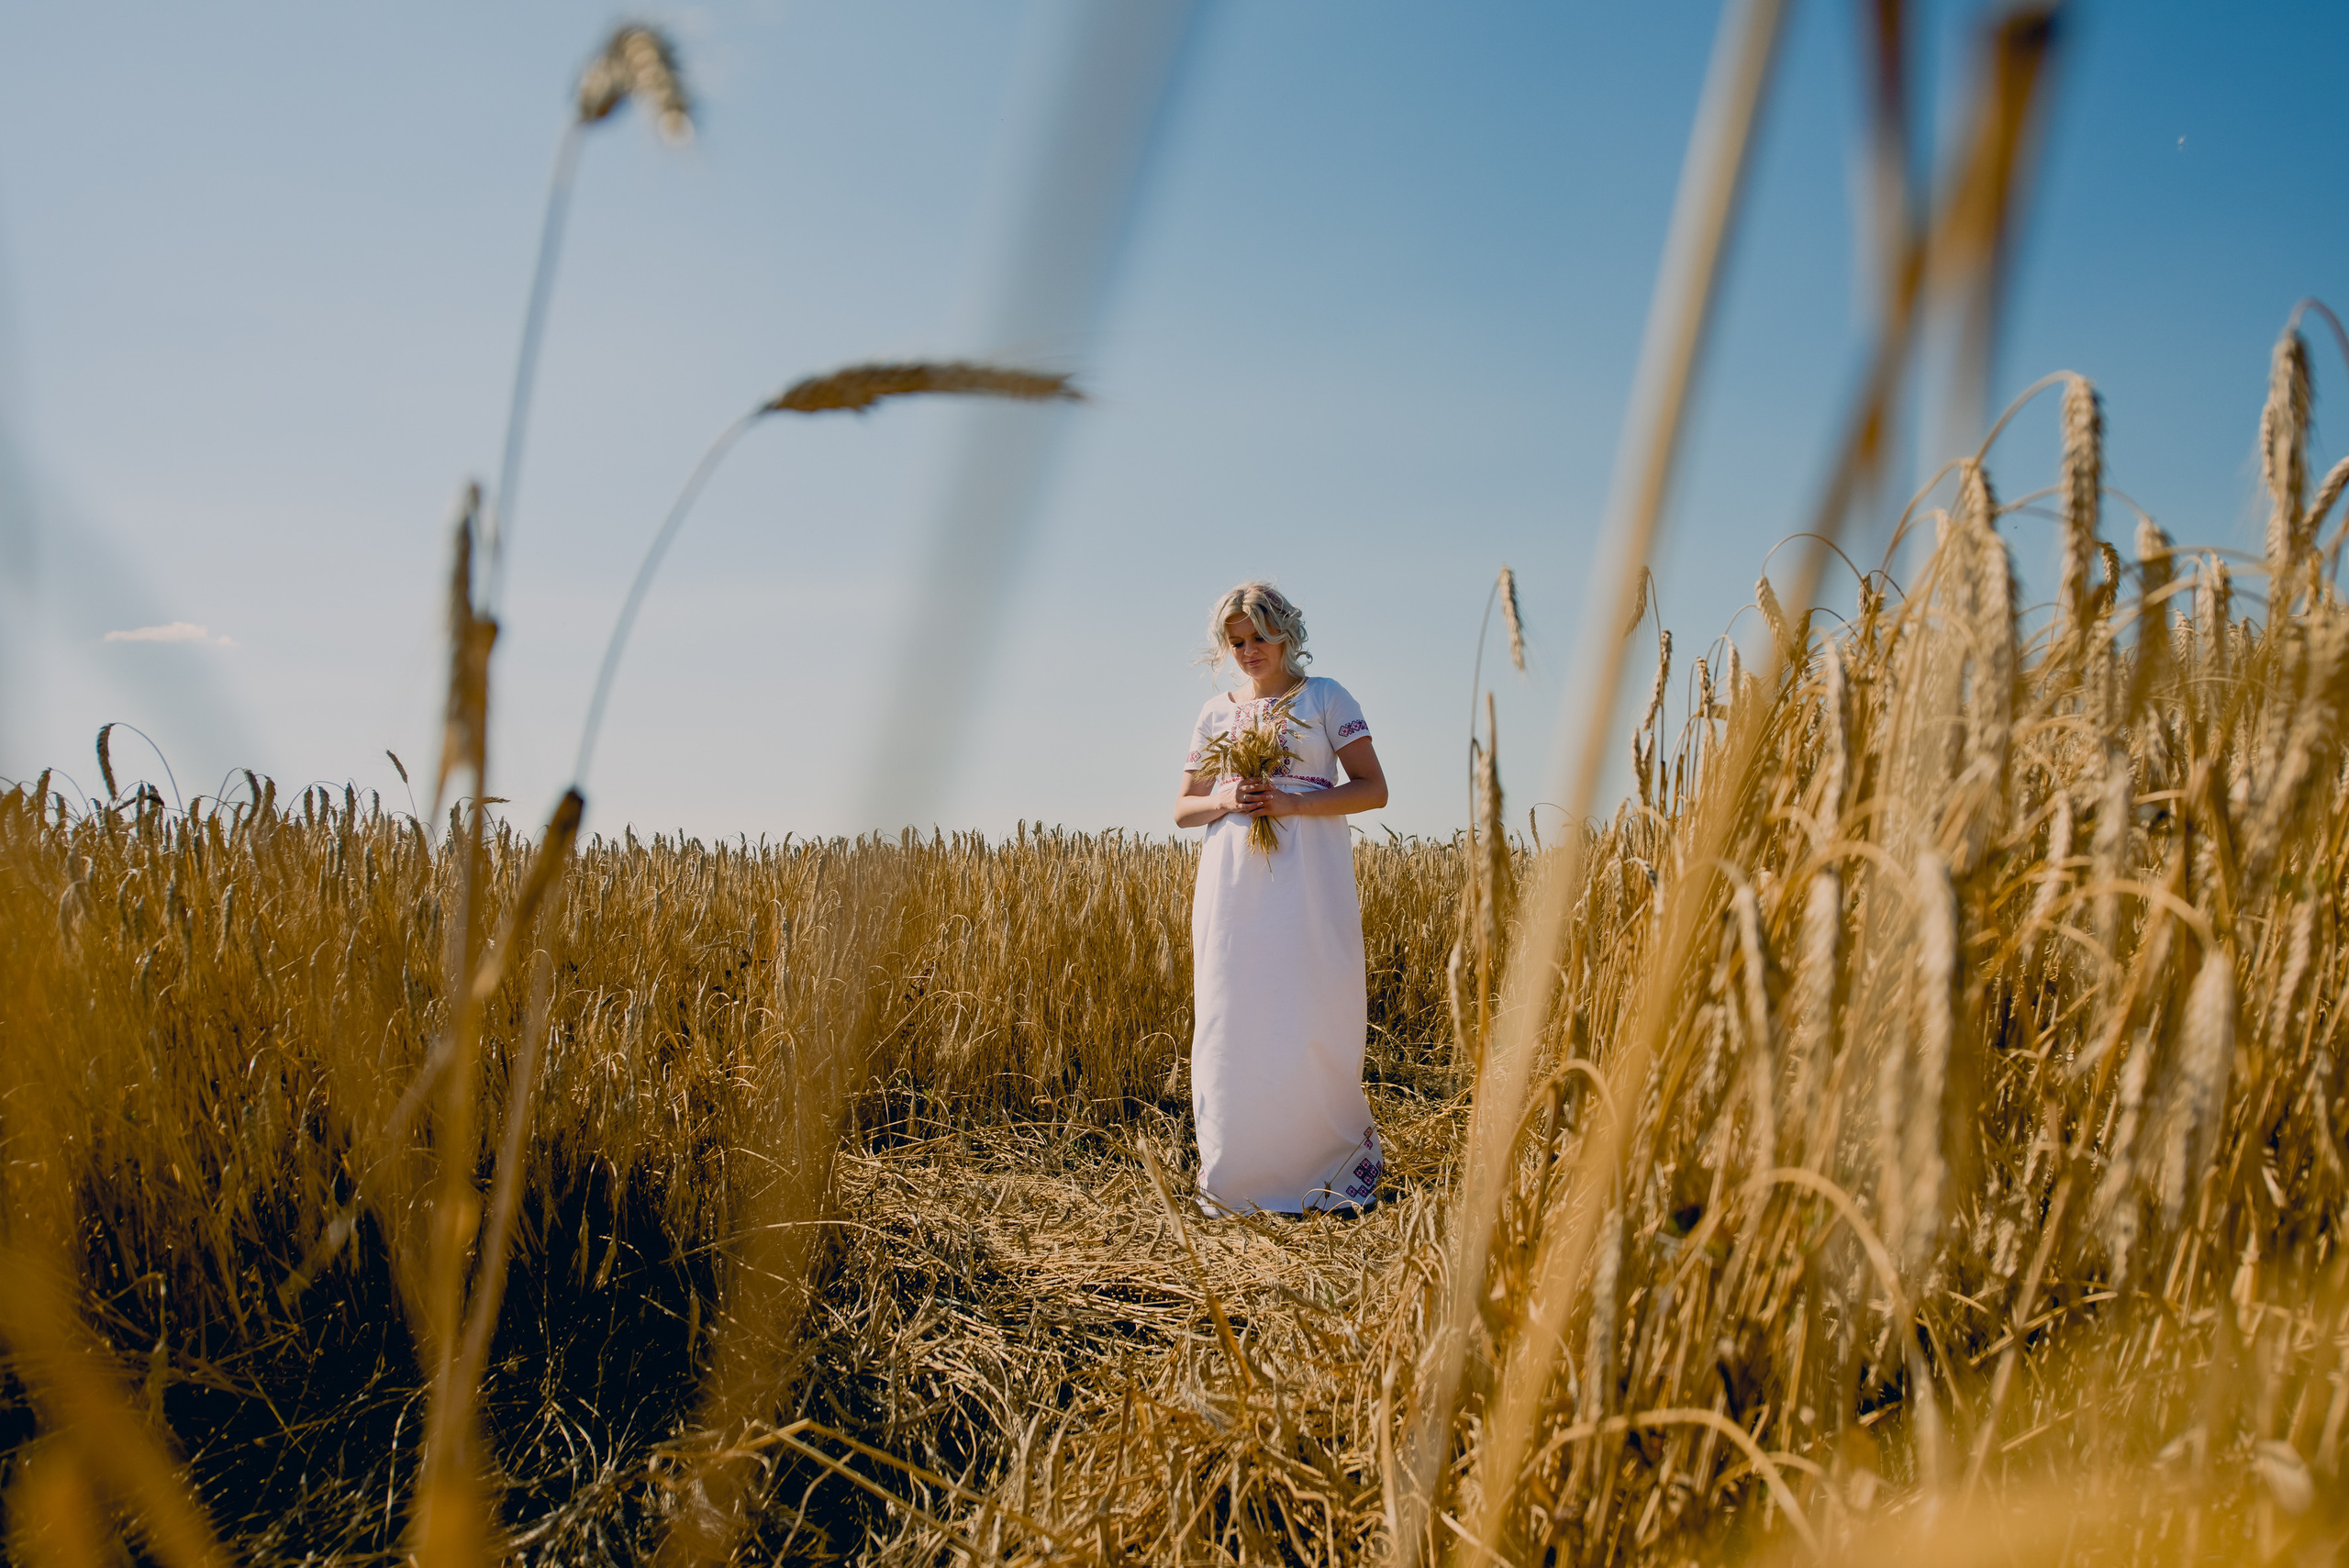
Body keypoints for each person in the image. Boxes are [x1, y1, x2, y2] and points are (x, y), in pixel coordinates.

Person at [1174, 582, 1389, 1218]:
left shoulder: (1326, 697)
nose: (1249, 651)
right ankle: (1236, 1180)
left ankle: (1328, 1173)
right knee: (1231, 1015)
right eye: (1237, 642)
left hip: (1308, 880)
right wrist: (1224, 800)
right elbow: (1183, 807)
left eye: (1260, 638)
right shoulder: (1215, 712)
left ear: (1287, 633)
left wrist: (1294, 803)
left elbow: (1374, 788)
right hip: (1232, 884)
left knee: (1310, 1008)